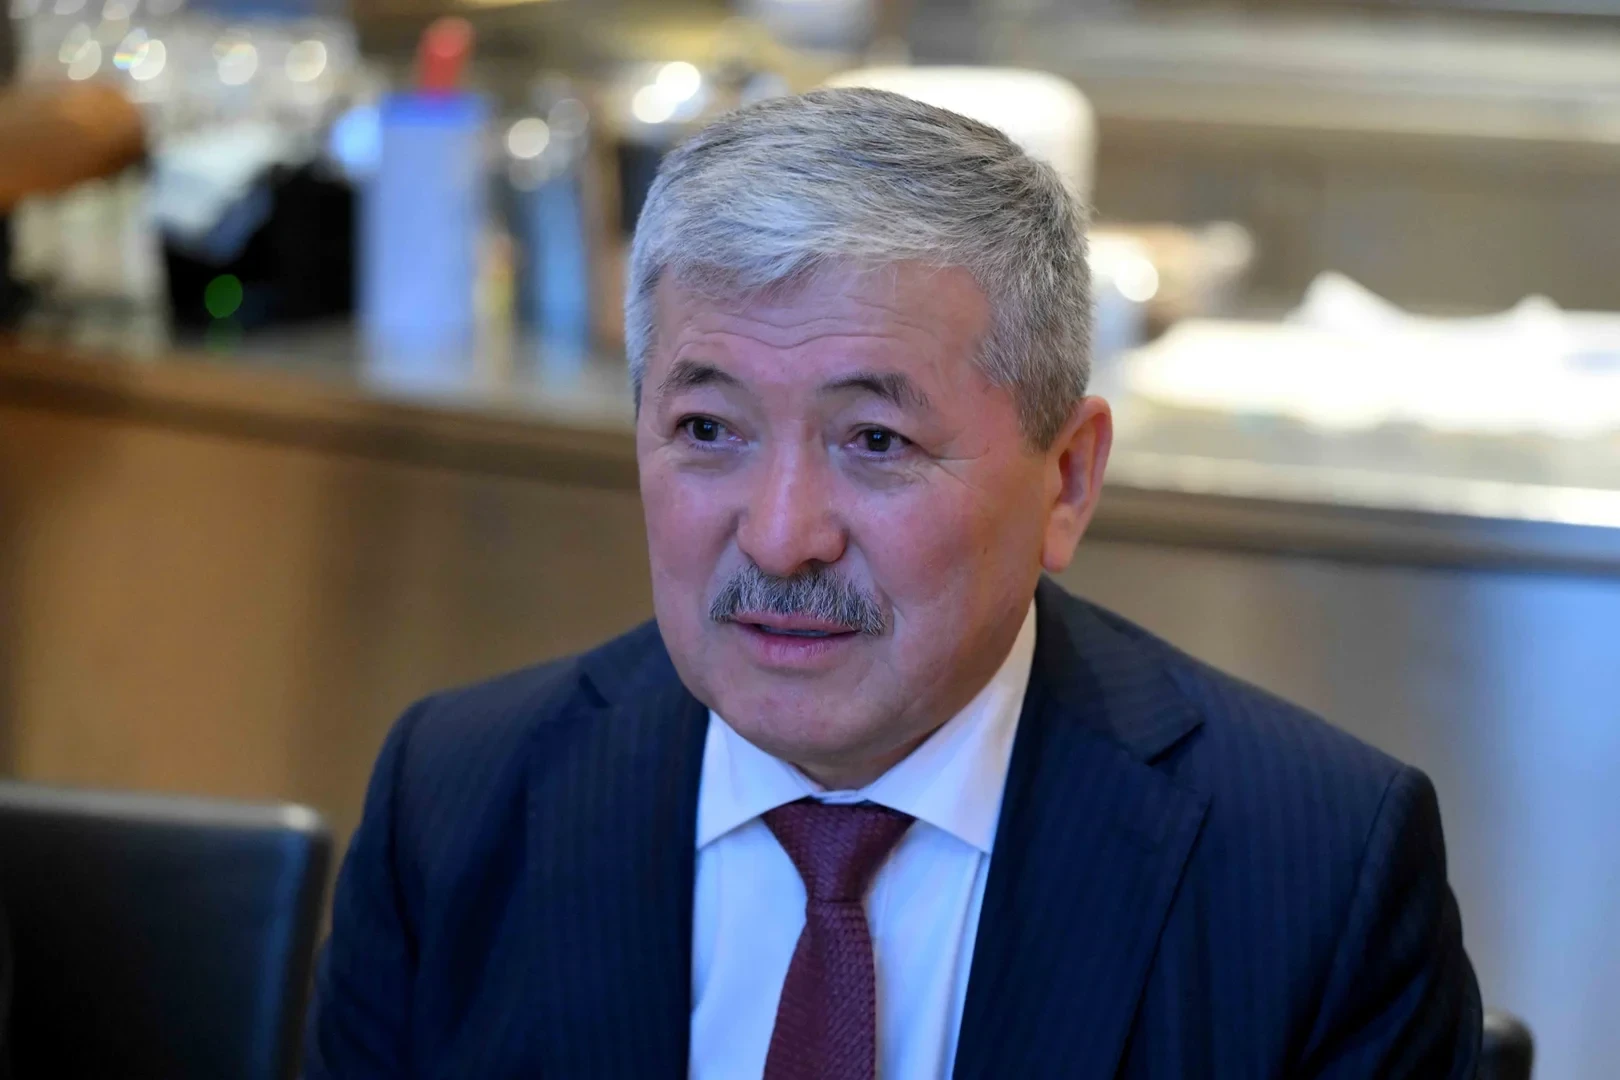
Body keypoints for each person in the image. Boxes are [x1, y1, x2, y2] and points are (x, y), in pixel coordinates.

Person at [303, 88, 1480, 1079]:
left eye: (875, 441)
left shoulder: (1314, 873)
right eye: (709, 429)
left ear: (1068, 481)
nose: (781, 538)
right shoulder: (458, 805)